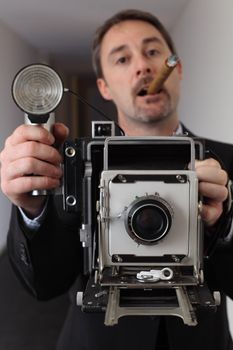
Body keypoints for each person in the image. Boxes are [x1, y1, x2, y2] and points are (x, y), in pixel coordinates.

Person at [1, 9, 233, 350]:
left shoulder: (226, 164)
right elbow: (44, 285)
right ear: (104, 87)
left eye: (154, 51)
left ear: (176, 68)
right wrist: (31, 210)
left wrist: (223, 229)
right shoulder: (74, 165)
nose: (143, 66)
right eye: (122, 59)